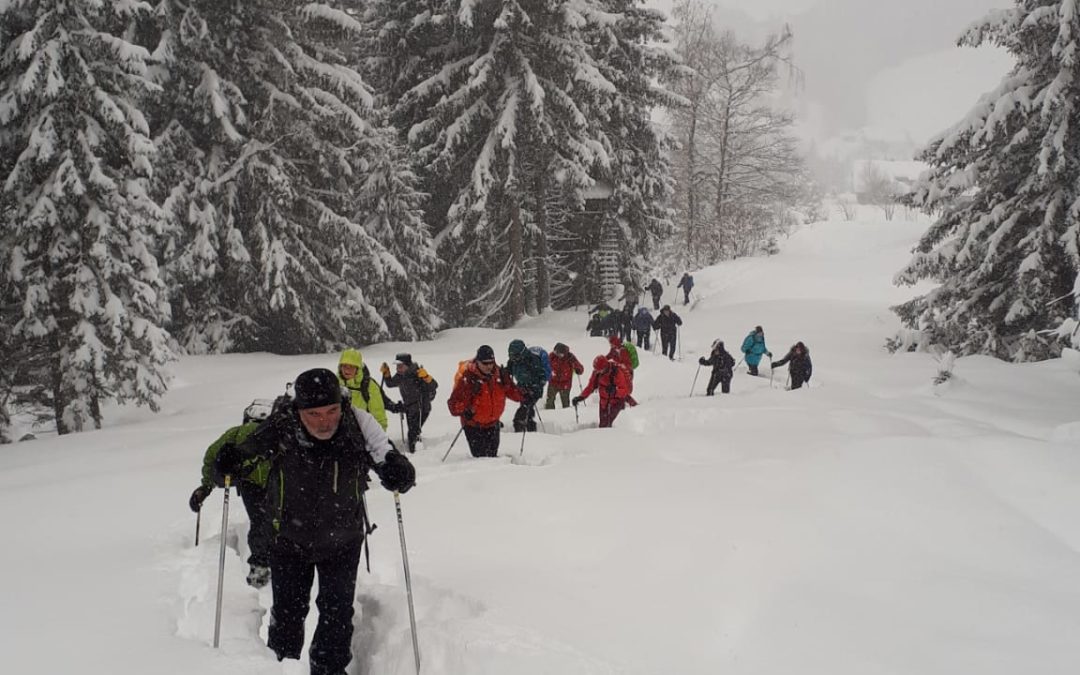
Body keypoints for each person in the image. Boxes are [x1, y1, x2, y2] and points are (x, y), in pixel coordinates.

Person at [212, 368, 416, 675]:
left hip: (343, 540)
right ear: (299, 411)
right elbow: (247, 451)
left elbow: (385, 453)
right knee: (288, 616)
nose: (325, 421)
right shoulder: (282, 425)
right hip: (289, 540)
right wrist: (229, 461)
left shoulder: (358, 423)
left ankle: (329, 671)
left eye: (332, 410)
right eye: (315, 413)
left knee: (336, 617)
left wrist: (398, 471)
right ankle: (282, 668)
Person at [190, 426, 274, 588]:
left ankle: (260, 567)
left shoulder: (236, 433)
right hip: (276, 482)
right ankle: (272, 565)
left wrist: (206, 487)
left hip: (251, 483)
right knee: (275, 522)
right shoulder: (278, 428)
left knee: (259, 522)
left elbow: (212, 455)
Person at [447, 345, 525, 457]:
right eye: (485, 363)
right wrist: (464, 410)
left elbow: (511, 391)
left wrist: (524, 395)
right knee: (481, 460)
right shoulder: (469, 379)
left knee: (492, 458)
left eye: (491, 362)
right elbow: (453, 405)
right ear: (477, 362)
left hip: (493, 425)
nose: (488, 366)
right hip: (473, 426)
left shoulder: (501, 375)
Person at [380, 353, 437, 452]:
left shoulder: (417, 374)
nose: (398, 368)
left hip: (421, 407)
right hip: (409, 407)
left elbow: (434, 385)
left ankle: (415, 451)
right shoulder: (400, 376)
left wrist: (426, 377)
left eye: (401, 366)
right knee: (412, 431)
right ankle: (414, 449)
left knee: (413, 432)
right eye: (397, 366)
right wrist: (387, 374)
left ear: (408, 365)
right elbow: (390, 384)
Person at [337, 348, 397, 430]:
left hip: (362, 434)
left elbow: (378, 416)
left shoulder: (369, 386)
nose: (347, 369)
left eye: (351, 366)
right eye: (344, 366)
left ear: (357, 369)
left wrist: (377, 438)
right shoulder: (334, 383)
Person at [573, 356, 634, 428]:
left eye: (600, 370)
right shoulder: (597, 372)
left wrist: (615, 391)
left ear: (605, 367)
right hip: (603, 402)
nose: (598, 372)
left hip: (616, 402)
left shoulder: (616, 372)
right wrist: (581, 397)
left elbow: (624, 390)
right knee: (603, 426)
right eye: (596, 370)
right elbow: (590, 387)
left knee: (612, 425)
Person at [506, 339, 549, 432]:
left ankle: (521, 428)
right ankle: (530, 428)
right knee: (527, 409)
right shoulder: (513, 361)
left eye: (516, 356)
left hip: (534, 390)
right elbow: (507, 371)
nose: (514, 358)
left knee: (524, 409)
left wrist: (532, 389)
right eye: (511, 356)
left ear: (522, 352)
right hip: (522, 389)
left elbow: (541, 377)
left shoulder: (533, 360)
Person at [546, 342, 584, 409]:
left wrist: (578, 369)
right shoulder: (552, 356)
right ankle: (550, 415)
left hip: (565, 384)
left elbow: (580, 368)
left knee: (565, 403)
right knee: (549, 401)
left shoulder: (570, 357)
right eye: (555, 352)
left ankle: (566, 416)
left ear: (563, 353)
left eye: (559, 353)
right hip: (553, 382)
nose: (557, 354)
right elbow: (545, 365)